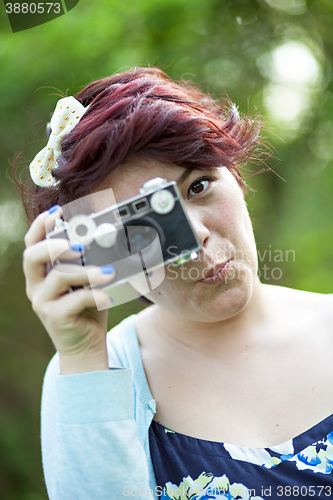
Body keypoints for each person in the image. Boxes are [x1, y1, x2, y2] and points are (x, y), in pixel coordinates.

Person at [21, 67, 332, 500]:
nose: (194, 236)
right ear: (103, 253)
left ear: (237, 179)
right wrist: (83, 357)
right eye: (146, 224)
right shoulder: (91, 372)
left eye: (200, 185)